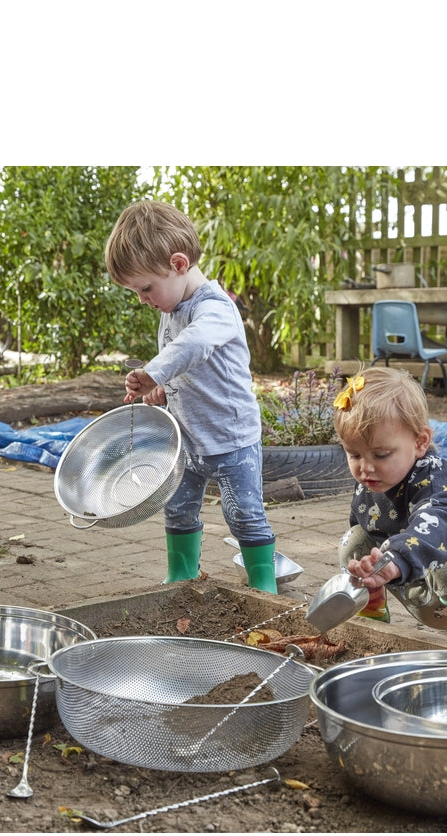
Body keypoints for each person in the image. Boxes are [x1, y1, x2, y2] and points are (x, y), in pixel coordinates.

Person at [105, 200, 279, 593]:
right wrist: (164, 390)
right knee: (178, 508)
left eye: (145, 288)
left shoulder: (216, 309)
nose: (142, 299)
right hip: (187, 438)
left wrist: (153, 372)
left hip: (230, 438)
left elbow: (192, 347)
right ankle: (181, 573)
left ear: (179, 264)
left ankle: (263, 582)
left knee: (243, 514)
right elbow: (188, 366)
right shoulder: (172, 306)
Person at [333, 365, 447, 652]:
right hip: (418, 582)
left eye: (381, 454)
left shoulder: (437, 481)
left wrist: (396, 560)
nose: (366, 467)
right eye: (354, 454)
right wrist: (370, 567)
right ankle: (371, 612)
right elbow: (367, 533)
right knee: (356, 540)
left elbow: (434, 529)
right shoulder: (372, 480)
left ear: (420, 442)